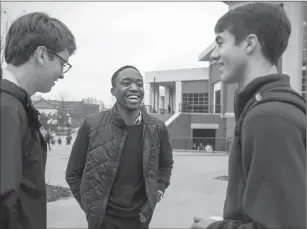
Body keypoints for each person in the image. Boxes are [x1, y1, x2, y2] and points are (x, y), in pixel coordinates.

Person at [192, 3, 306, 229]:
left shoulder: (269, 117)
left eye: (220, 42)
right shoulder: (269, 109)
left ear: (249, 43)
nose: (215, 55)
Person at [66, 65, 174, 229]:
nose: (134, 88)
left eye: (139, 84)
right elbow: (73, 174)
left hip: (140, 219)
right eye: (126, 83)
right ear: (113, 91)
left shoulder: (157, 128)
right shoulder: (92, 124)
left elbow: (165, 165)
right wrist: (91, 208)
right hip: (102, 222)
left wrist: (157, 193)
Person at [0, 12, 76, 229]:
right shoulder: (7, 108)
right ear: (42, 54)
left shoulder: (19, 106)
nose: (62, 75)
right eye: (62, 63)